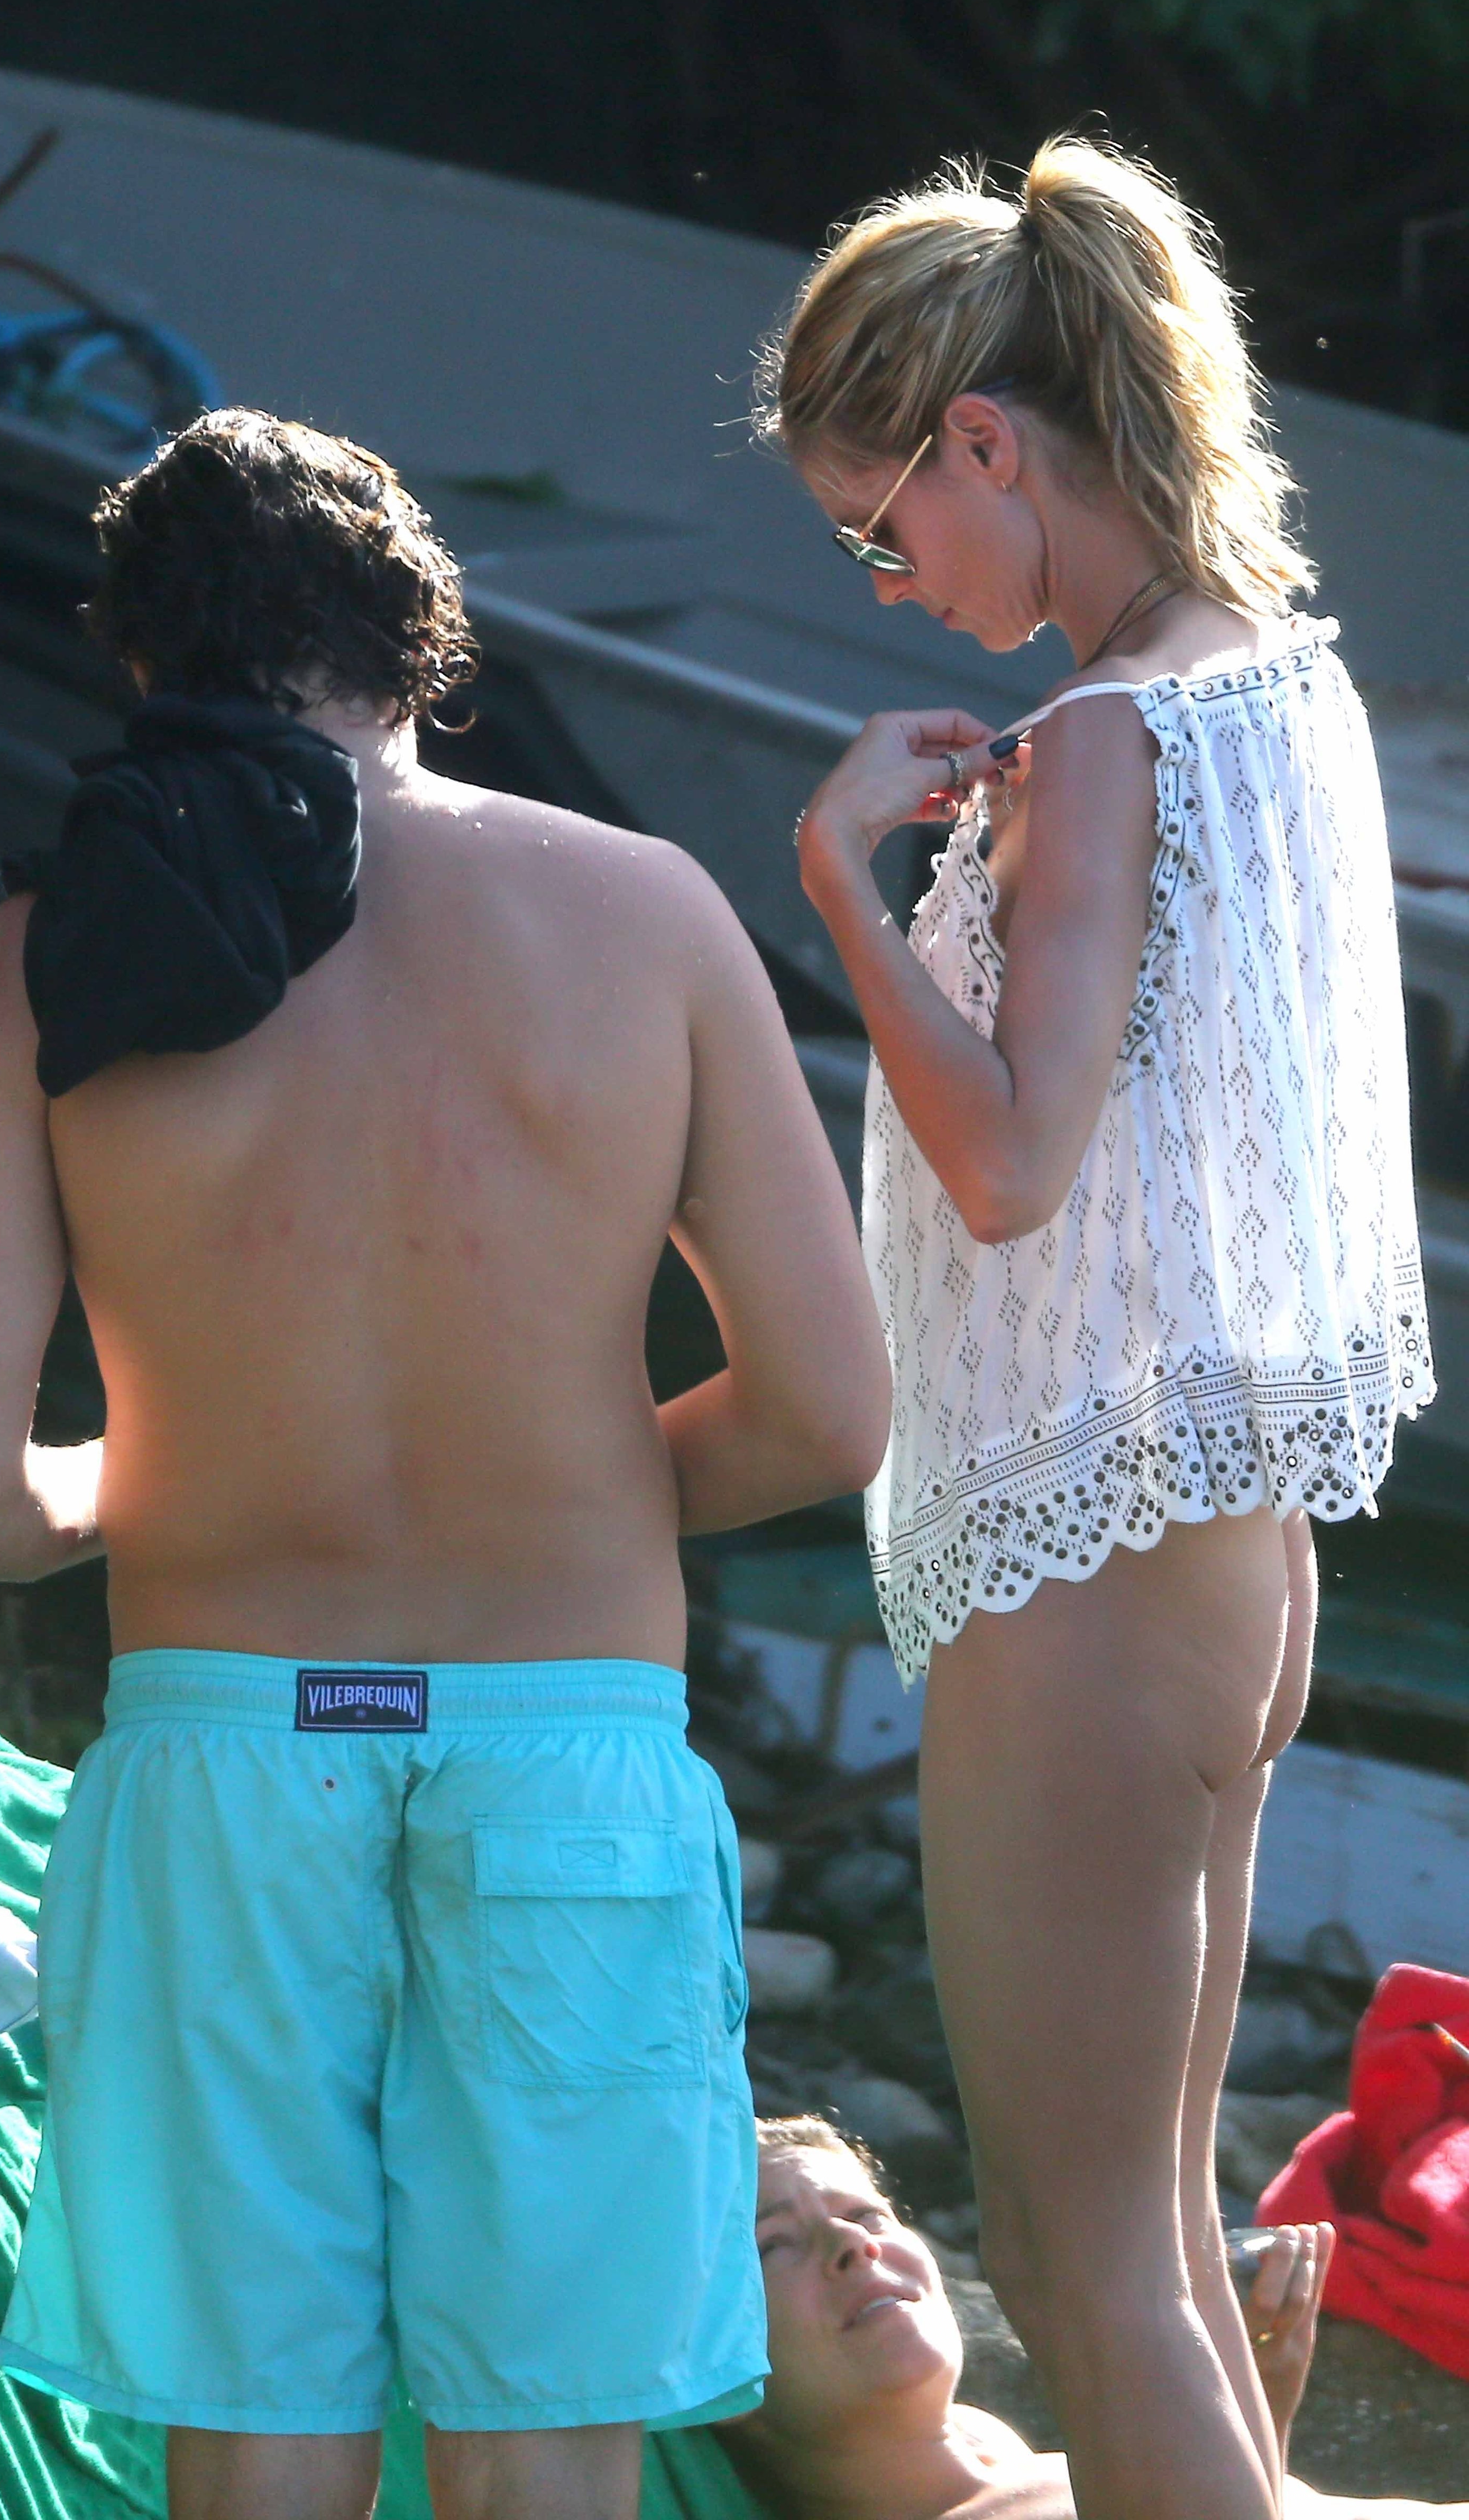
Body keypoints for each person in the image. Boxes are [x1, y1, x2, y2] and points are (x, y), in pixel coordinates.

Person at [0, 408, 892, 2520]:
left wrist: (158, 1475)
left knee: (258, 2422)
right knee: (545, 2427)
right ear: (427, 640)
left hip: (227, 1755)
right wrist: (576, 1483)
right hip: (560, 1753)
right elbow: (822, 1409)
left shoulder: (43, 956)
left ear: (137, 660)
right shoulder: (642, 913)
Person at [755, 136, 1434, 2520]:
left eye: (879, 530)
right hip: (1221, 1536)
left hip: (1089, 1536)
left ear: (982, 440)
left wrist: (842, 886)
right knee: (1145, 2235)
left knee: (1077, 2262)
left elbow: (1012, 1166)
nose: (890, 583)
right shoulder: (1279, 675)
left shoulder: (1110, 735)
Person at [726, 2118, 1468, 2520]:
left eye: (867, 2215)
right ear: (711, 2373)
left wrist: (1249, 2404)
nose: (852, 2244)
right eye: (773, 2245)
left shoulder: (989, 2453)